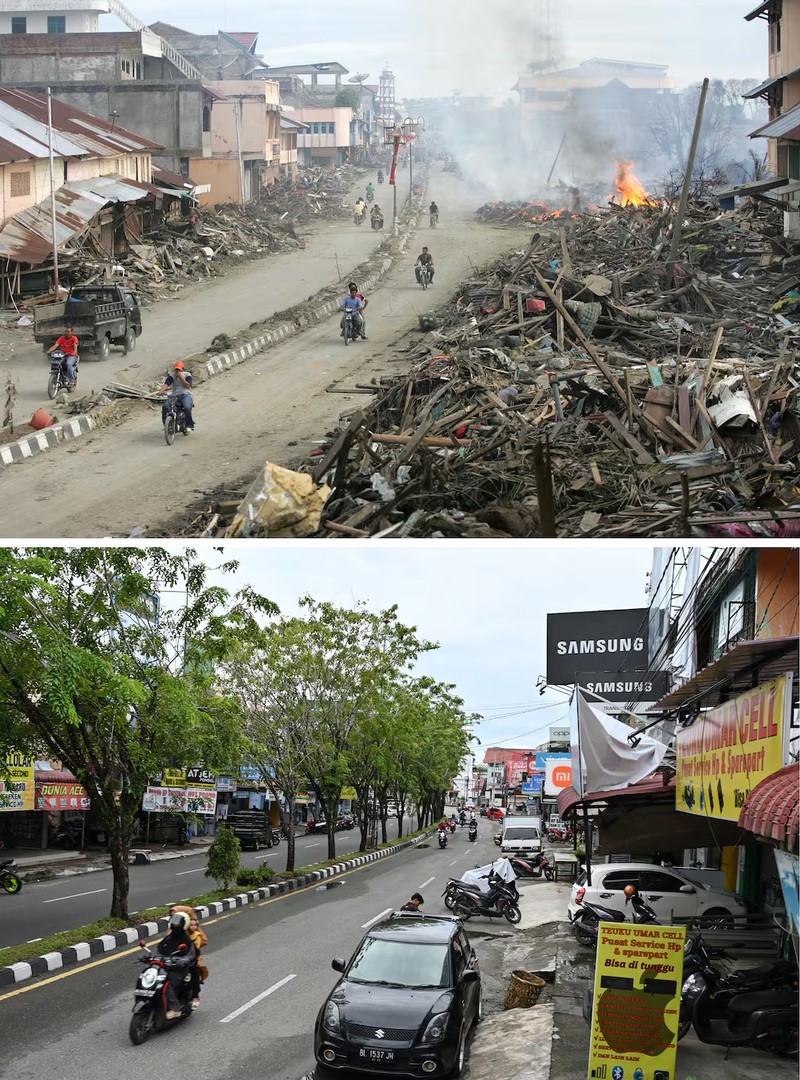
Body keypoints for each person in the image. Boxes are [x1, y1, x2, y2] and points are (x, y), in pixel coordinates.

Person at [157, 911, 197, 1019]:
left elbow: (190, 956)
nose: (174, 927)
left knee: (166, 983)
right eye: (173, 924)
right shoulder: (168, 939)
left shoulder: (187, 941)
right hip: (165, 968)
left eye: (177, 925)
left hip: (178, 971)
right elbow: (160, 950)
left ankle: (175, 1008)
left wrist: (181, 961)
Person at [158, 361, 194, 430]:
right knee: (165, 406)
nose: (177, 371)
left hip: (186, 394)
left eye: (179, 369)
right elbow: (166, 384)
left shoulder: (187, 374)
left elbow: (188, 385)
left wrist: (181, 378)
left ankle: (189, 424)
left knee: (186, 407)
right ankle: (166, 425)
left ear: (182, 369)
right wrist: (161, 391)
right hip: (175, 395)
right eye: (176, 369)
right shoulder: (172, 376)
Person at [187, 914, 209, 1009]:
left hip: (193, 959)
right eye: (190, 925)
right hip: (180, 959)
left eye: (194, 925)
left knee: (194, 975)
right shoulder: (182, 934)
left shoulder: (197, 936)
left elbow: (200, 945)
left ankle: (195, 997)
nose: (193, 927)